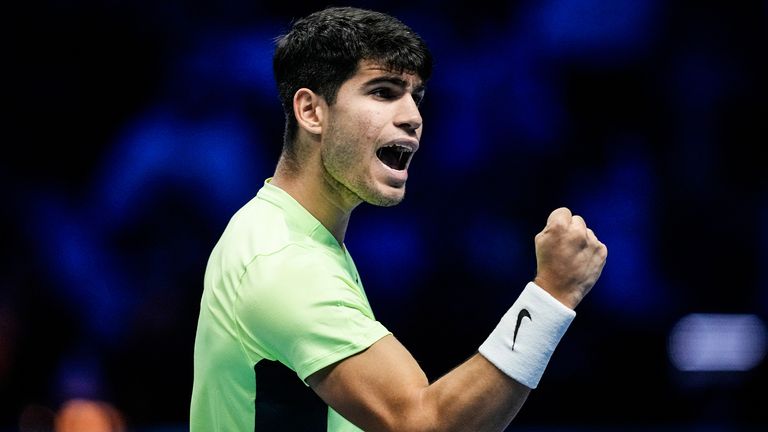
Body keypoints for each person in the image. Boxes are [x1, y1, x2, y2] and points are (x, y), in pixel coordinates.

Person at [190, 5, 607, 431]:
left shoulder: (294, 236)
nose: (413, 117)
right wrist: (552, 295)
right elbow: (423, 424)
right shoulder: (281, 261)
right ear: (311, 111)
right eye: (383, 92)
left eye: (416, 97)